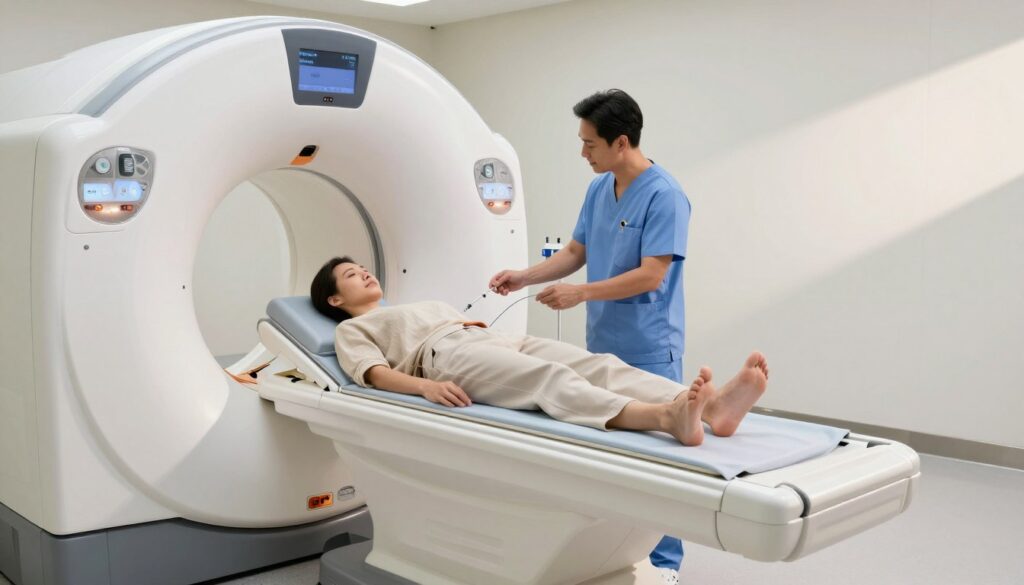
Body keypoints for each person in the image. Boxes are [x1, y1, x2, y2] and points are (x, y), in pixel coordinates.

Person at [489, 89, 692, 582]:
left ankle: (665, 565)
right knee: (613, 452)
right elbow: (576, 252)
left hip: (649, 345)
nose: (583, 153)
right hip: (602, 343)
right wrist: (525, 275)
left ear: (621, 143)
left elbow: (651, 276)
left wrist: (579, 295)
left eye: (590, 144)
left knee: (658, 459)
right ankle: (620, 552)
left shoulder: (665, 196)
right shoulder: (600, 188)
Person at [310, 257, 767, 447]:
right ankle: (665, 417)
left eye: (364, 268)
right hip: (445, 357)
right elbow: (372, 375)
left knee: (597, 365)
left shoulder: (411, 303)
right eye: (352, 275)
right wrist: (426, 387)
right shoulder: (353, 330)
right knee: (550, 380)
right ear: (334, 300)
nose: (365, 274)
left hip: (486, 338)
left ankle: (712, 409)